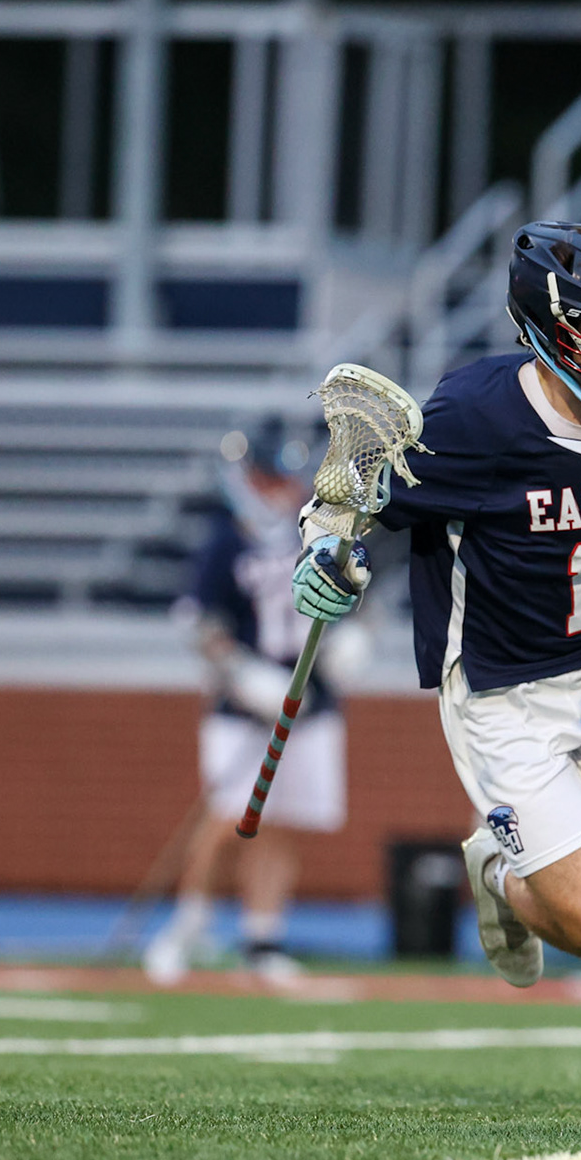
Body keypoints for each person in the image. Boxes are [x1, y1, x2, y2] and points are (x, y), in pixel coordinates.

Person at [294, 222, 581, 1115]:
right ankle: (498, 870)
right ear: (555, 335)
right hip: (503, 685)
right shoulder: (473, 418)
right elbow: (353, 496)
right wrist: (326, 555)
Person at [144, 417, 347, 985]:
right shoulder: (225, 543)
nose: (280, 492)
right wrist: (242, 675)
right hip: (246, 706)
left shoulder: (322, 533)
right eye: (268, 479)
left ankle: (263, 936)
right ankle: (189, 926)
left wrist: (350, 641)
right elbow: (199, 624)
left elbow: (357, 597)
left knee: (284, 822)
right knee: (232, 816)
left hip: (311, 703)